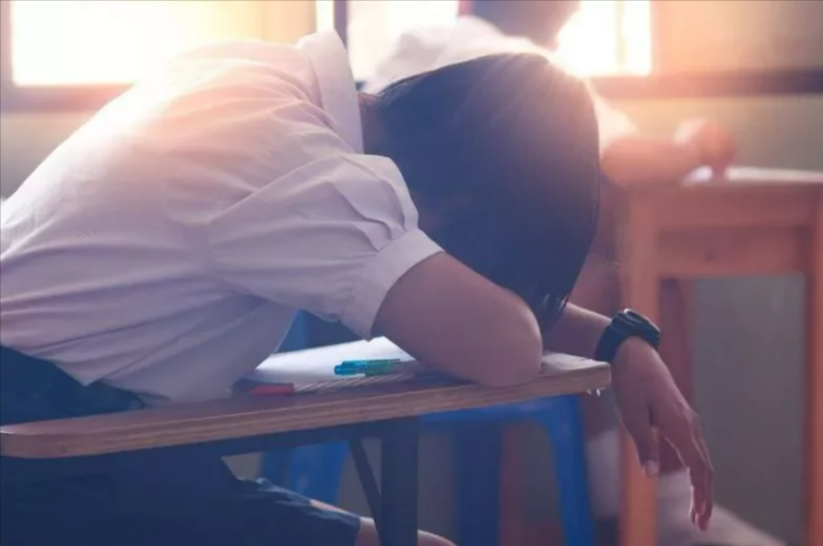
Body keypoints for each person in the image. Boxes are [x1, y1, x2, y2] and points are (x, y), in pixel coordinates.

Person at [0, 30, 712, 546]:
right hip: (43, 460)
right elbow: (505, 347)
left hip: (79, 435)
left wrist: (617, 339)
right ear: (454, 209)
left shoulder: (259, 82)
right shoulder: (306, 174)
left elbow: (483, 307)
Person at [363, 2, 784, 546]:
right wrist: (698, 142)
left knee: (589, 233)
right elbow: (628, 160)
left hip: (382, 300)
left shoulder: (420, 51)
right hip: (450, 310)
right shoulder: (513, 67)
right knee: (630, 254)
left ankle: (629, 495)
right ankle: (650, 500)